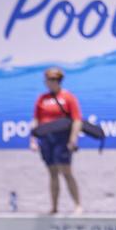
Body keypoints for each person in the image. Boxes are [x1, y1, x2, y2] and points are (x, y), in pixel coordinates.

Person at [30, 66, 84, 215]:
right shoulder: (42, 99)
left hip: (62, 138)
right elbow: (36, 120)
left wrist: (73, 139)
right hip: (47, 139)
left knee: (66, 171)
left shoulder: (68, 97)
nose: (47, 83)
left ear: (56, 80)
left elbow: (77, 120)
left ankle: (78, 204)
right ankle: (54, 207)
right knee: (52, 172)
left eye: (49, 80)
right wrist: (33, 139)